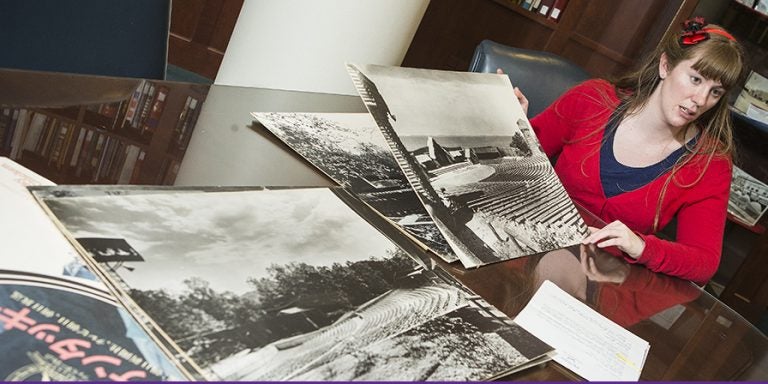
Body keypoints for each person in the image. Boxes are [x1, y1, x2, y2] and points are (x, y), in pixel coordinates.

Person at [514, 18, 746, 285]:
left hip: (605, 285)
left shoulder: (710, 164)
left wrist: (641, 247)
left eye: (715, 92)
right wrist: (512, 127)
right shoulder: (591, 99)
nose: (701, 100)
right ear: (665, 65)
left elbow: (703, 262)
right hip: (526, 248)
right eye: (695, 79)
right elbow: (518, 168)